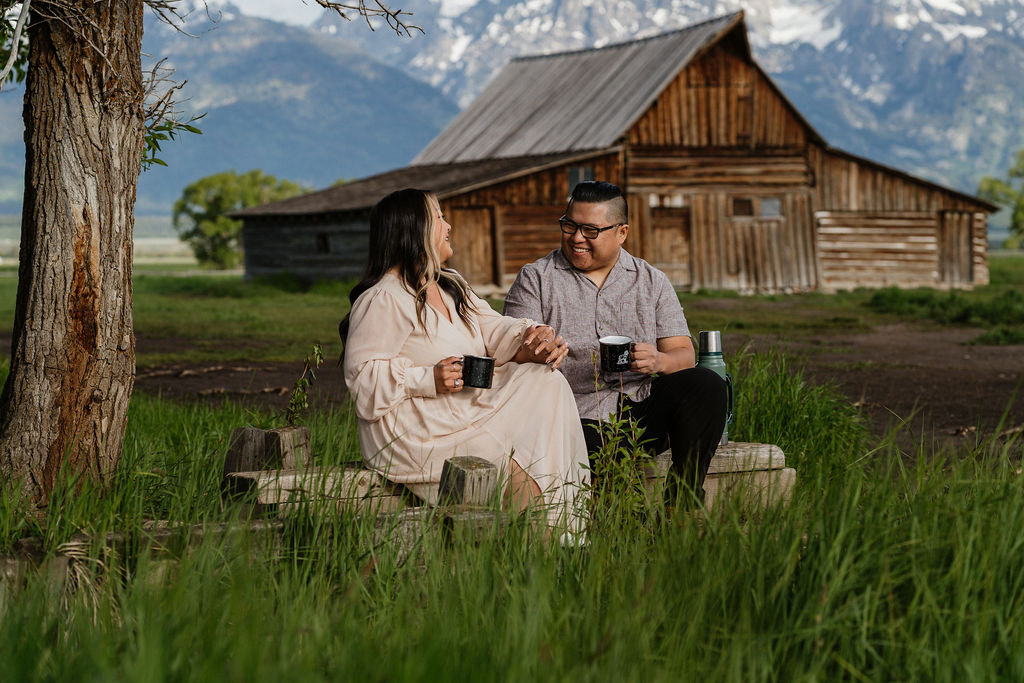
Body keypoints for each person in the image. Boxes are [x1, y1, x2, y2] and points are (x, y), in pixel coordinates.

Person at [340, 188, 589, 535]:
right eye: (439, 217)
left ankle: (562, 533)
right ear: (415, 228)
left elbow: (493, 327)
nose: (449, 225)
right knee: (518, 483)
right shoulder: (384, 298)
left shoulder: (449, 286)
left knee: (543, 378)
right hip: (417, 432)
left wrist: (532, 339)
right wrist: (428, 379)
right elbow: (363, 382)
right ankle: (544, 554)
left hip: (464, 413)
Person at [503, 181, 727, 506]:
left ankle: (684, 501)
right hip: (572, 417)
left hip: (642, 407)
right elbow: (510, 351)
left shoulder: (651, 280)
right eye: (569, 226)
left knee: (707, 384)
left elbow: (684, 354)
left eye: (590, 230)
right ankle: (618, 522)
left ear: (621, 232)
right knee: (615, 498)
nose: (577, 237)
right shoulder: (536, 279)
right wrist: (535, 349)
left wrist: (659, 362)